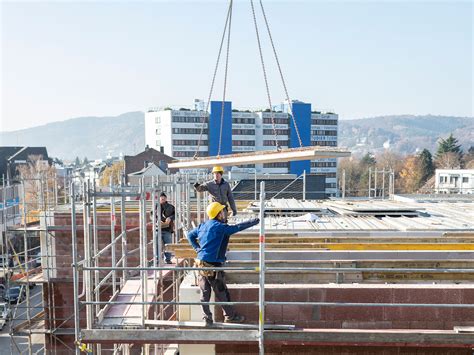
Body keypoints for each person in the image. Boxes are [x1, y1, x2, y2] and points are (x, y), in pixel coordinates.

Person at [187, 202, 260, 326]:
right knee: (221, 291)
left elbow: (190, 235)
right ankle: (230, 316)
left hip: (201, 263)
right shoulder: (219, 227)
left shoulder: (203, 225)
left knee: (205, 293)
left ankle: (207, 319)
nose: (224, 214)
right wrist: (254, 221)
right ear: (218, 214)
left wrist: (197, 249)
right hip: (213, 265)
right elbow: (236, 228)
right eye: (222, 212)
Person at [151, 192, 175, 264]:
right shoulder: (155, 206)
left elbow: (175, 215)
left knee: (168, 244)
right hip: (157, 228)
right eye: (161, 199)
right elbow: (152, 215)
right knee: (156, 245)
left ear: (166, 199)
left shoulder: (171, 207)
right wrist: (156, 221)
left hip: (167, 229)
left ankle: (168, 259)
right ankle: (157, 259)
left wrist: (170, 218)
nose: (162, 200)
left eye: (164, 199)